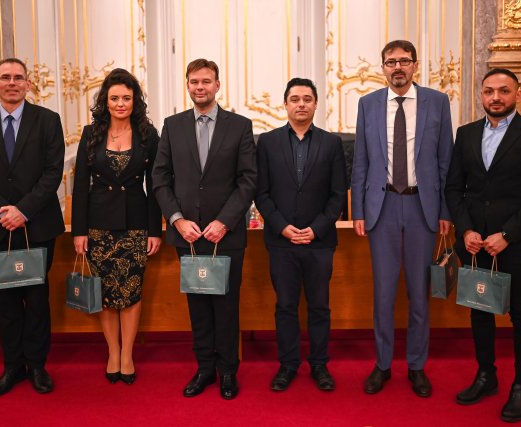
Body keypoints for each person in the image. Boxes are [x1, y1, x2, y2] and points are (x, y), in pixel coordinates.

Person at [445, 68, 521, 423]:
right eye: (489, 91)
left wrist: (506, 235)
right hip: (474, 244)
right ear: (481, 95)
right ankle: (486, 375)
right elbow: (454, 189)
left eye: (504, 91)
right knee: (480, 310)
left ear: (517, 95)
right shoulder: (465, 134)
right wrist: (466, 230)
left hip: (516, 244)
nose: (496, 97)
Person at [351, 40, 454, 397]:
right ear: (382, 67)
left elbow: (446, 161)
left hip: (422, 207)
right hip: (382, 208)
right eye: (391, 61)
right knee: (383, 294)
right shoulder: (368, 104)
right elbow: (361, 161)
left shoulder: (437, 102)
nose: (398, 67)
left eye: (404, 61)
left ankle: (416, 366)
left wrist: (445, 210)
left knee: (419, 294)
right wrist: (358, 210)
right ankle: (382, 365)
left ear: (415, 65)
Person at [153, 58, 257, 400]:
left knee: (226, 307)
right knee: (198, 307)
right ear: (187, 85)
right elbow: (160, 178)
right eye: (194, 81)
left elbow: (248, 180)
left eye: (206, 81)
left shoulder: (239, 126)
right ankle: (204, 369)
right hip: (189, 235)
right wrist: (177, 219)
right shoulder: (172, 126)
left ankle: (228, 371)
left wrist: (224, 221)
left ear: (217, 85)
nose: (200, 87)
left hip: (226, 235)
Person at [0, 58, 65, 397]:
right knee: (5, 300)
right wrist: (2, 212)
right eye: (5, 77)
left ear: (28, 84)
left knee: (37, 299)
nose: (12, 83)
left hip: (37, 225)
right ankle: (12, 366)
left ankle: (37, 365)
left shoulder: (48, 120)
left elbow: (53, 172)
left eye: (18, 77)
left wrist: (23, 210)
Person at [255, 78, 346, 392]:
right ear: (285, 104)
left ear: (316, 104)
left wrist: (316, 228)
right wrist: (282, 226)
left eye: (307, 99)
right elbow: (261, 193)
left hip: (319, 242)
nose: (301, 104)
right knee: (285, 306)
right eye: (295, 99)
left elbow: (338, 194)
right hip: (281, 241)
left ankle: (319, 365)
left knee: (320, 306)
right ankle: (288, 365)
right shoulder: (267, 143)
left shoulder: (332, 143)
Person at [72, 68, 162, 385]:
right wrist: (79, 231)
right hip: (98, 226)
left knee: (131, 292)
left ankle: (128, 355)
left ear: (135, 100)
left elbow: (157, 185)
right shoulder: (91, 133)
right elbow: (80, 186)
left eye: (126, 97)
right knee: (106, 293)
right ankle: (113, 351)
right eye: (114, 98)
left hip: (136, 225)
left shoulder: (148, 135)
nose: (120, 103)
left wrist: (155, 230)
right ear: (105, 101)